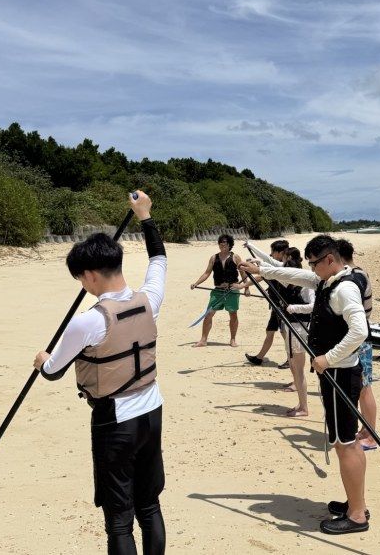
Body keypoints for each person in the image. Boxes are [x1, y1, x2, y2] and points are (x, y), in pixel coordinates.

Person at [33, 191, 167, 555]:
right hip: (152, 411)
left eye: (80, 278)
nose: (82, 285)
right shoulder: (149, 299)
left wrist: (42, 359)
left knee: (119, 519)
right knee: (150, 505)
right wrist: (145, 215)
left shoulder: (88, 321)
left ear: (90, 274)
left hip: (115, 423)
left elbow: (52, 370)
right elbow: (158, 259)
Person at [240, 234, 370, 535]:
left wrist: (327, 358)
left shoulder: (345, 289)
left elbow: (360, 331)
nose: (312, 270)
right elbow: (295, 274)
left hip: (340, 374)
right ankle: (355, 502)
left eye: (315, 264)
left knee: (345, 445)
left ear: (329, 260)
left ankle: (357, 516)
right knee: (345, 441)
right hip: (337, 374)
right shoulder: (330, 280)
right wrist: (262, 269)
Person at [336, 239, 378, 451]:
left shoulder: (355, 276)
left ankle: (370, 435)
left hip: (359, 338)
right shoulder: (360, 273)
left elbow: (365, 312)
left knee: (364, 387)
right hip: (360, 336)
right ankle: (366, 430)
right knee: (362, 386)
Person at [190, 234, 249, 347]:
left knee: (233, 314)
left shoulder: (236, 257)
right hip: (218, 291)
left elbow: (243, 273)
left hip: (232, 290)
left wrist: (246, 288)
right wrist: (196, 283)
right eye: (221, 242)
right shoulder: (213, 258)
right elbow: (207, 273)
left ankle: (232, 339)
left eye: (225, 242)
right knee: (208, 314)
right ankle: (203, 340)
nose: (222, 244)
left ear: (230, 244)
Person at [277, 247, 315, 417]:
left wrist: (294, 308)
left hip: (300, 328)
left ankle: (304, 407)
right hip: (290, 326)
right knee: (293, 366)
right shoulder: (288, 282)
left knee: (298, 369)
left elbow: (313, 306)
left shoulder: (305, 285)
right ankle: (300, 404)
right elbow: (272, 270)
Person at [241, 239, 290, 367]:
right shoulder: (277, 264)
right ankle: (259, 357)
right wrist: (243, 285)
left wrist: (243, 285)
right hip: (275, 304)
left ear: (280, 253)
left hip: (282, 305)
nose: (271, 254)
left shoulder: (284, 267)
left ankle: (291, 359)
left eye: (273, 251)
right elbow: (261, 274)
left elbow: (261, 272)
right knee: (270, 331)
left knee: (285, 333)